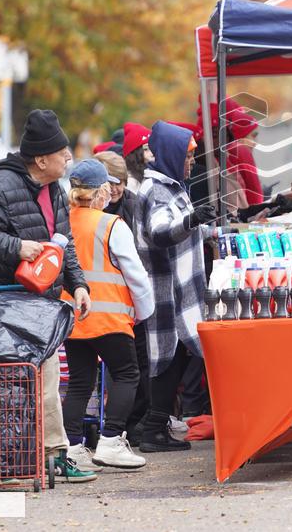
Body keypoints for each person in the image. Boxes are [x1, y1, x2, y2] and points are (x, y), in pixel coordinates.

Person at [0, 109, 96, 483]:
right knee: (5, 389)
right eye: (62, 152)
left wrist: (79, 284)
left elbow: (62, 245)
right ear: (41, 159)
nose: (69, 158)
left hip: (40, 306)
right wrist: (17, 247)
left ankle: (53, 455)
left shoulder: (55, 190)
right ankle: (0, 461)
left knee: (48, 381)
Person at [61, 159, 154, 471]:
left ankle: (72, 448)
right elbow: (136, 275)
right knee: (127, 374)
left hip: (74, 316)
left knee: (79, 382)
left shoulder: (62, 224)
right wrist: (144, 310)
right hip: (111, 317)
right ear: (101, 191)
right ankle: (111, 441)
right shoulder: (112, 225)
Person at [134, 121, 217, 452]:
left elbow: (187, 230)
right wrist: (193, 219)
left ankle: (153, 425)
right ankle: (153, 428)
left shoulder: (171, 185)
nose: (191, 162)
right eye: (188, 155)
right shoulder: (156, 190)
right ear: (171, 154)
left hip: (181, 291)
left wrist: (214, 232)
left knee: (176, 355)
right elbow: (160, 231)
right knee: (166, 357)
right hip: (166, 290)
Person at [95, 150, 149, 442]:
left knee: (136, 364)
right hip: (103, 301)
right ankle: (109, 430)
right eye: (111, 182)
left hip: (131, 299)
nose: (117, 188)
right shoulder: (90, 210)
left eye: (122, 182)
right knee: (116, 369)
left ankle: (135, 423)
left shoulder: (135, 205)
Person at [123, 122, 153, 193]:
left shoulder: (148, 173)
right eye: (146, 149)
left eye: (152, 147)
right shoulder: (130, 182)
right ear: (135, 154)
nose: (152, 153)